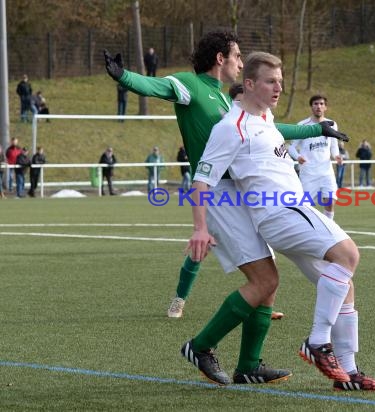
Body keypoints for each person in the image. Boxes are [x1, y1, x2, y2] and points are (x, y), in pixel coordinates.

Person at [103, 31, 343, 328]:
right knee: (206, 245)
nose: (241, 64)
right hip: (213, 189)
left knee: (260, 255)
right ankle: (184, 304)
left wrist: (317, 130)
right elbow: (157, 86)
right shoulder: (192, 85)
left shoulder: (226, 98)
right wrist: (123, 76)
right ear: (220, 58)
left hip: (239, 187)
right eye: (238, 57)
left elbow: (271, 129)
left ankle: (257, 308)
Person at [187, 51, 375, 391]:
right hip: (281, 213)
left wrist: (317, 130)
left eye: (280, 81)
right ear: (249, 84)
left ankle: (349, 374)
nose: (278, 88)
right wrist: (200, 228)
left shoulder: (265, 118)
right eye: (270, 82)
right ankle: (316, 342)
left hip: (293, 210)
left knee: (343, 284)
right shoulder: (231, 128)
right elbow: (202, 180)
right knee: (348, 255)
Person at [288, 94, 342, 220]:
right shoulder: (302, 125)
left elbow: (333, 146)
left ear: (326, 107)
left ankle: (329, 228)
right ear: (311, 107)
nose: (319, 106)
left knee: (330, 201)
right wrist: (298, 157)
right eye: (316, 104)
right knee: (305, 206)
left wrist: (337, 156)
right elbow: (291, 147)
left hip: (326, 172)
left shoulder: (332, 124)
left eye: (321, 104)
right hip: (308, 173)